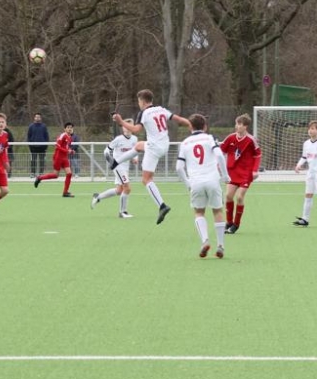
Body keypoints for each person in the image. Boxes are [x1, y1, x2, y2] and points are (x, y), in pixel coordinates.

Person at [110, 90, 193, 225]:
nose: (138, 103)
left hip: (154, 148)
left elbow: (136, 130)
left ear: (142, 101)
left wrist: (121, 122)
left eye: (139, 101)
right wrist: (191, 124)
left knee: (146, 179)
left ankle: (162, 206)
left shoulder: (144, 113)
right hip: (164, 145)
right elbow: (178, 119)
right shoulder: (161, 109)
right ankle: (116, 162)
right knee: (138, 146)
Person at [177, 114, 230, 258]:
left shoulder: (185, 143)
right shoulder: (209, 138)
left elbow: (179, 167)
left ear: (190, 127)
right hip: (212, 179)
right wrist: (225, 176)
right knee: (217, 211)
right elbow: (219, 156)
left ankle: (205, 241)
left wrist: (188, 183)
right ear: (205, 126)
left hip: (196, 181)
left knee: (199, 212)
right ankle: (220, 246)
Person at [219, 113, 262, 234]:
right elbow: (221, 151)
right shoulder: (230, 138)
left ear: (245, 126)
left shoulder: (251, 140)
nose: (237, 126)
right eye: (236, 124)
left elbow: (258, 154)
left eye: (239, 124)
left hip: (245, 174)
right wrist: (218, 164)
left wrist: (255, 170)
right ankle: (229, 222)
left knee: (239, 197)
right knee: (228, 196)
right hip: (232, 171)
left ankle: (236, 224)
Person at [91, 119, 138, 218]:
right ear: (123, 127)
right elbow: (106, 151)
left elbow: (135, 151)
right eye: (125, 126)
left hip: (125, 167)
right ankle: (122, 212)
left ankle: (98, 197)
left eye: (129, 126)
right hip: (118, 166)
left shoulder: (134, 139)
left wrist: (135, 158)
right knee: (127, 188)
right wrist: (111, 161)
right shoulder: (118, 139)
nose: (127, 128)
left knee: (119, 190)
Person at [293, 120, 317, 228]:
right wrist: (298, 165)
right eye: (309, 128)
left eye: (313, 128)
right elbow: (304, 157)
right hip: (310, 173)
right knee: (308, 194)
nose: (310, 131)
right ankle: (305, 219)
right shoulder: (306, 143)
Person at [33, 122, 75, 197]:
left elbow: (66, 147)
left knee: (69, 174)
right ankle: (39, 178)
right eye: (68, 127)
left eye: (71, 127)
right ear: (65, 129)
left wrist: (70, 151)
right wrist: (67, 151)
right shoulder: (62, 135)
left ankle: (65, 192)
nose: (70, 129)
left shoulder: (70, 138)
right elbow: (57, 146)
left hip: (65, 158)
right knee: (55, 175)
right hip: (58, 157)